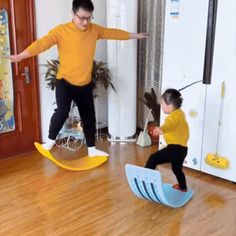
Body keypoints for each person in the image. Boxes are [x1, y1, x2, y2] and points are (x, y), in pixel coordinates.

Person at [10, 0, 148, 157]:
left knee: (89, 117)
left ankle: (92, 149)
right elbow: (42, 44)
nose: (85, 22)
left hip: (84, 84)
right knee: (62, 111)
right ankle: (49, 141)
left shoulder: (94, 30)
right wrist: (21, 56)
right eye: (81, 17)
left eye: (89, 18)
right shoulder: (61, 31)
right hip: (65, 82)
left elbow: (113, 33)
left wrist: (135, 35)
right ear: (72, 13)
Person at [144, 89, 189, 192]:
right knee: (176, 169)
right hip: (183, 150)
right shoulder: (180, 114)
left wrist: (161, 129)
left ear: (170, 106)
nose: (161, 105)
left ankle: (145, 179)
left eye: (163, 103)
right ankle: (183, 187)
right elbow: (173, 126)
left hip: (175, 149)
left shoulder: (173, 117)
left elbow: (170, 124)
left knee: (153, 158)